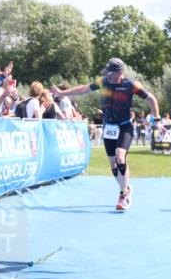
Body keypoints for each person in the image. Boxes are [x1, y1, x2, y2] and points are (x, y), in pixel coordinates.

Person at [54, 57, 164, 212]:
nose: (108, 76)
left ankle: (123, 194)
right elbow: (83, 89)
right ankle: (126, 187)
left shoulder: (131, 85)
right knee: (113, 166)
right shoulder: (103, 81)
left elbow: (151, 99)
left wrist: (157, 119)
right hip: (109, 128)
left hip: (124, 127)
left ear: (120, 72)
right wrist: (62, 92)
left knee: (120, 157)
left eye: (111, 73)